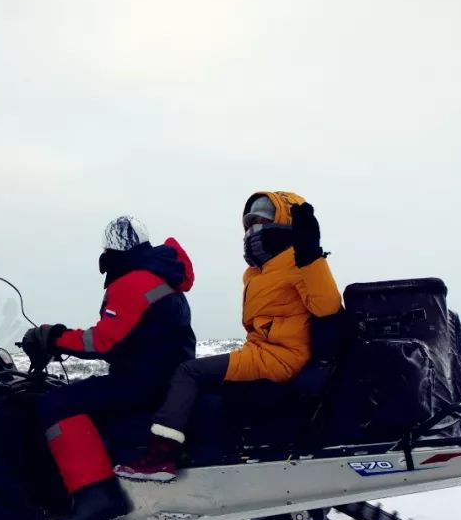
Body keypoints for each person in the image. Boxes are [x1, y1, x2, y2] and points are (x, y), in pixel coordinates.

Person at [115, 191, 342, 482]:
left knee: (189, 372)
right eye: (249, 224)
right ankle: (200, 452)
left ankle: (161, 455)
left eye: (261, 221)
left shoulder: (299, 261)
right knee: (205, 391)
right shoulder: (258, 271)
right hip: (262, 352)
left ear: (284, 222)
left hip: (282, 358)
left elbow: (328, 307)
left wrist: (312, 256)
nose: (253, 229)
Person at [22, 216, 195, 520]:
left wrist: (53, 336)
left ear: (111, 248)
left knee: (56, 404)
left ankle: (95, 497)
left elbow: (103, 340)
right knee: (83, 396)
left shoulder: (133, 281)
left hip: (143, 382)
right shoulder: (160, 276)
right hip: (161, 377)